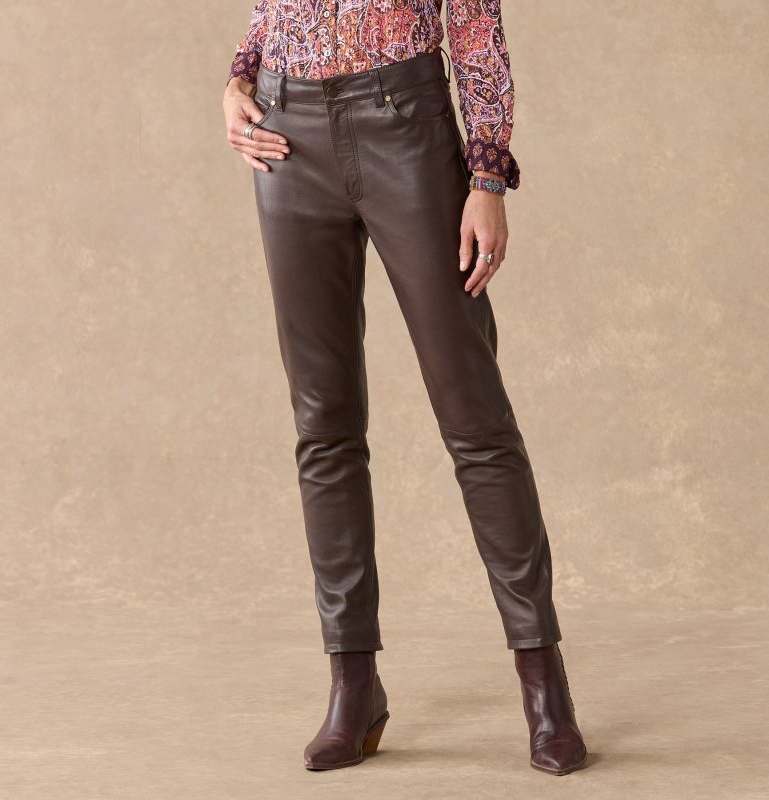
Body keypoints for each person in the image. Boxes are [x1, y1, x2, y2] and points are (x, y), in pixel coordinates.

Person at [222, 0, 588, 776]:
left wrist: (486, 176)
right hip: (286, 138)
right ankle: (352, 687)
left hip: (404, 127)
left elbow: (476, 29)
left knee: (474, 418)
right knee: (323, 423)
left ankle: (544, 685)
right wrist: (240, 75)